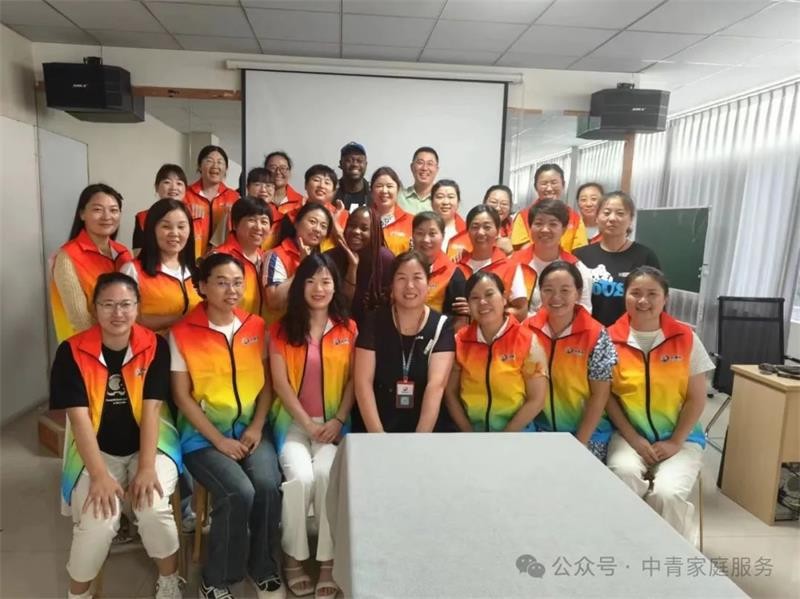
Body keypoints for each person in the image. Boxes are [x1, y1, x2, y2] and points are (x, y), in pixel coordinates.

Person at [50, 273, 182, 599]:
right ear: (94, 309)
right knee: (98, 520)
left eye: (126, 304)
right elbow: (79, 419)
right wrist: (99, 475)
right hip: (95, 450)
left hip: (152, 446)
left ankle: (169, 579)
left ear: (137, 307)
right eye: (108, 305)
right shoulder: (71, 352)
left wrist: (146, 467)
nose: (117, 313)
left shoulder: (155, 346)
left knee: (152, 508)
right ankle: (78, 594)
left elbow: (152, 410)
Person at [170, 253, 284, 599]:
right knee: (238, 492)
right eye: (221, 282)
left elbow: (267, 385)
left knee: (267, 484)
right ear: (203, 286)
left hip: (251, 428)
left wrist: (257, 427)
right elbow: (182, 397)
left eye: (237, 283)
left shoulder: (256, 326)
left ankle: (262, 566)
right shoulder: (183, 333)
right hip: (202, 438)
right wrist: (218, 441)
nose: (231, 290)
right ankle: (216, 579)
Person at [269, 253, 357, 599]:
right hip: (292, 423)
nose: (318, 288)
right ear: (299, 286)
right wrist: (306, 424)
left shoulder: (349, 329)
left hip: (334, 425)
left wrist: (338, 419)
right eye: (310, 280)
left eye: (325, 281)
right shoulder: (281, 329)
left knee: (325, 477)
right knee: (300, 479)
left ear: (335, 286)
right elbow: (280, 384)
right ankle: (292, 558)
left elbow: (354, 380)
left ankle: (327, 563)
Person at [605, 266, 713, 545]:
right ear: (625, 297)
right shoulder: (608, 339)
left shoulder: (686, 338)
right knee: (622, 476)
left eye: (652, 294)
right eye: (635, 293)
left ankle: (670, 552)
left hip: (682, 437)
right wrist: (633, 438)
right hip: (629, 435)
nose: (643, 300)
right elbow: (607, 398)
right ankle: (627, 545)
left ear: (665, 298)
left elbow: (697, 398)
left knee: (668, 493)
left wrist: (675, 442)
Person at [524, 261, 616, 461]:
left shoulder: (596, 334)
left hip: (588, 433)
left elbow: (600, 395)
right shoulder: (526, 331)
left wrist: (579, 443)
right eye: (548, 290)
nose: (556, 297)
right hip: (538, 430)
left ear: (578, 293)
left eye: (565, 290)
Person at [354, 250, 455, 433]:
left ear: (428, 283)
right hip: (376, 426)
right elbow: (363, 383)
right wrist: (377, 436)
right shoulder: (374, 322)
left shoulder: (442, 326)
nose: (409, 286)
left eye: (417, 278)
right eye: (401, 278)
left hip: (426, 429)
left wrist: (418, 440)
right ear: (391, 285)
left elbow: (436, 386)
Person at [445, 271, 547, 432]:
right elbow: (450, 394)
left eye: (489, 294)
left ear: (504, 298)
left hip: (517, 434)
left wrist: (505, 437)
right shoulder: (460, 341)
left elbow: (537, 399)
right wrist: (468, 433)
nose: (482, 302)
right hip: (472, 434)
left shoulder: (527, 340)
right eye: (475, 298)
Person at [51, 183, 133, 343]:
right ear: (82, 214)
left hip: (124, 344)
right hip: (84, 346)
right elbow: (79, 318)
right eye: (97, 209)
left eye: (113, 210)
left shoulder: (123, 252)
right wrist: (113, 344)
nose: (107, 216)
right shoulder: (67, 256)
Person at [573, 191, 661, 326]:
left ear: (630, 219)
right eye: (606, 213)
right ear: (597, 218)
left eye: (620, 213)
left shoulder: (645, 256)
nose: (612, 218)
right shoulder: (580, 255)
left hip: (630, 333)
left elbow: (657, 300)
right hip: (587, 332)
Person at [121, 198, 200, 334]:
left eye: (181, 227)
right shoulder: (132, 271)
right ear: (152, 230)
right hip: (151, 346)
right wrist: (182, 320)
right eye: (166, 226)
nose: (174, 233)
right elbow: (127, 319)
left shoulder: (195, 272)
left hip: (195, 345)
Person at [514, 200, 593, 315]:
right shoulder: (513, 264)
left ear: (564, 229)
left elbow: (584, 313)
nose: (545, 229)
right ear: (530, 228)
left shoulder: (577, 268)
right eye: (539, 223)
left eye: (553, 224)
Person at [455, 205, 529, 322]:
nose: (480, 232)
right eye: (475, 227)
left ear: (497, 231)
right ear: (467, 231)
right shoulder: (457, 266)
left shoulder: (510, 267)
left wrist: (479, 310)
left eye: (487, 227)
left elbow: (521, 312)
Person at [264, 203, 332, 325]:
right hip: (281, 328)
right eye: (312, 222)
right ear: (296, 223)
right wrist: (302, 268)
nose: (317, 229)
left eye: (323, 226)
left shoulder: (324, 260)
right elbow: (274, 302)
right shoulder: (277, 255)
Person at [325, 206, 393, 325]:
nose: (356, 231)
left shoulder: (386, 260)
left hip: (375, 328)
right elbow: (342, 306)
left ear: (374, 232)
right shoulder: (330, 258)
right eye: (352, 225)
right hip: (335, 325)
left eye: (364, 228)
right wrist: (352, 267)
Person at [211, 197, 271, 317]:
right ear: (234, 224)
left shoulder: (268, 258)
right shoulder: (219, 258)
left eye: (264, 222)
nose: (258, 227)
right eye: (251, 220)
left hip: (261, 327)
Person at [410, 211, 469, 330]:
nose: (426, 240)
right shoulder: (401, 268)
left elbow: (461, 320)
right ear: (412, 235)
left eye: (432, 234)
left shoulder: (453, 274)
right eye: (420, 233)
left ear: (443, 236)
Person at [510, 164, 587, 252]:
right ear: (535, 187)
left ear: (563, 184)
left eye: (554, 183)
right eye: (544, 183)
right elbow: (522, 250)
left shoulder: (575, 218)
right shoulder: (523, 216)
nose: (549, 188)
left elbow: (580, 252)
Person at [184, 145, 240, 258]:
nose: (215, 166)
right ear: (199, 166)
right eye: (209, 161)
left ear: (226, 168)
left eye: (220, 162)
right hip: (189, 258)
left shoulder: (234, 197)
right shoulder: (186, 194)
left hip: (223, 259)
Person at [446, 184, 514, 259]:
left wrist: (511, 252)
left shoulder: (516, 231)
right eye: (493, 202)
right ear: (484, 202)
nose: (498, 208)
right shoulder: (462, 239)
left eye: (504, 204)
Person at [132, 164, 188, 252]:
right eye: (167, 182)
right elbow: (138, 253)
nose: (174, 187)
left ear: (186, 189)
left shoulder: (193, 216)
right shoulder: (143, 217)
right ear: (156, 187)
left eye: (179, 183)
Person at [370, 166, 414, 256]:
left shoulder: (411, 221)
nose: (384, 191)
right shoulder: (363, 219)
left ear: (398, 190)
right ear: (371, 191)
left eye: (389, 186)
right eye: (379, 186)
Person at [397, 146, 439, 215]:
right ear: (412, 167)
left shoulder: (442, 201)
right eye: (420, 163)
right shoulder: (399, 197)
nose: (424, 168)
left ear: (436, 169)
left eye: (430, 164)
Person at [265, 151, 303, 223]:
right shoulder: (258, 200)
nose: (278, 172)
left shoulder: (300, 202)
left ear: (289, 172)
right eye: (273, 167)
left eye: (283, 168)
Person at [430, 179, 466, 252]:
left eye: (450, 197)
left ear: (458, 202)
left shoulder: (467, 233)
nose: (445, 202)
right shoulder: (421, 229)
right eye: (440, 197)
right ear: (431, 202)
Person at [335, 142, 370, 210]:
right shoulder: (331, 192)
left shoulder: (374, 194)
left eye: (359, 160)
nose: (355, 164)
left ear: (366, 164)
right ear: (341, 164)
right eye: (349, 160)